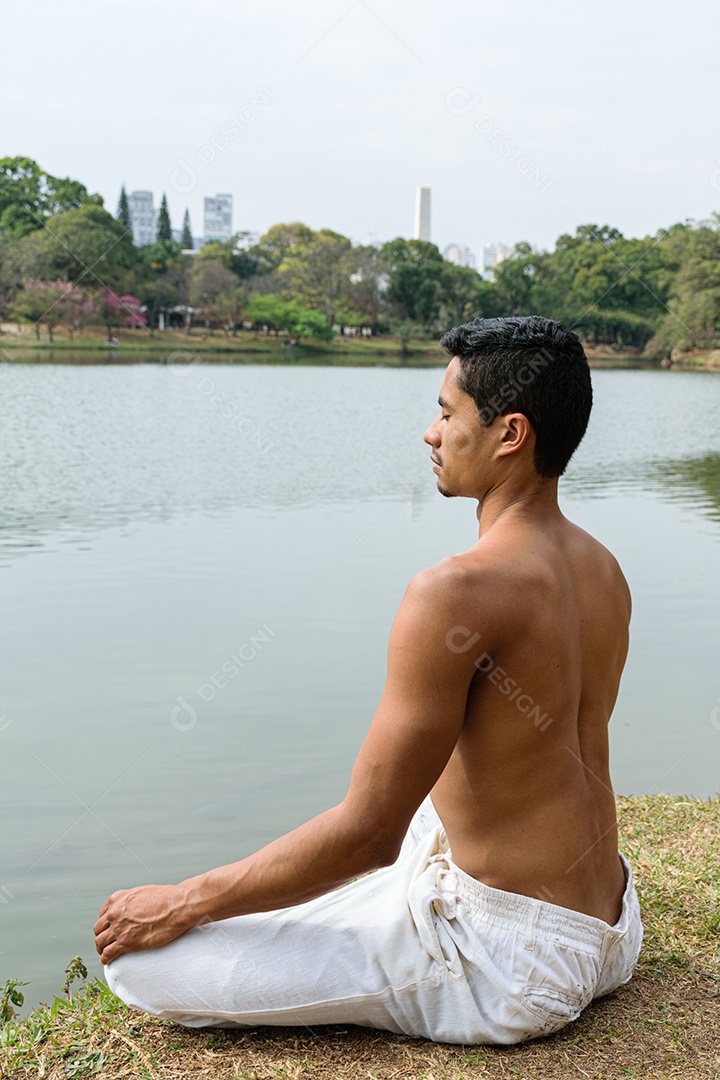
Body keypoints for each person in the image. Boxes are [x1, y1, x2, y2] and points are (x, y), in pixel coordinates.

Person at [94, 316, 642, 1044]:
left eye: (447, 415)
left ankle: (381, 929)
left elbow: (369, 837)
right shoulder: (603, 569)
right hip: (608, 924)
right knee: (426, 808)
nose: (430, 433)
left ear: (510, 434)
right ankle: (381, 913)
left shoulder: (452, 592)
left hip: (516, 964)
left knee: (141, 970)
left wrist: (183, 903)